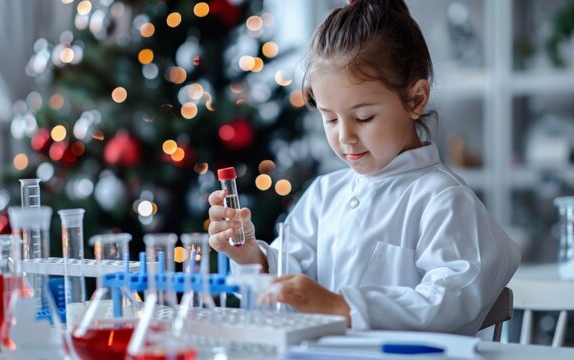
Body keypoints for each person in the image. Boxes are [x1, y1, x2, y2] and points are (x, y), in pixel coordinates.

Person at [207, 0, 520, 335]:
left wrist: (343, 307)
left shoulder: (442, 199)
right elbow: (290, 282)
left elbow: (452, 301)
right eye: (329, 118)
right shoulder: (325, 194)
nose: (345, 137)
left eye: (364, 117)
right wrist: (252, 256)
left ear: (416, 99)